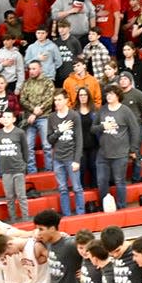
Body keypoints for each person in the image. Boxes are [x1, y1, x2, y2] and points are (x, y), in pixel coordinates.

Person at [91, 84, 141, 210]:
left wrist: (133, 149)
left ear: (118, 96)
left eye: (111, 94)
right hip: (103, 153)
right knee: (101, 182)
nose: (108, 96)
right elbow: (92, 129)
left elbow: (135, 130)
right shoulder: (102, 110)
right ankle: (105, 207)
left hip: (120, 153)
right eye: (107, 94)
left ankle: (121, 207)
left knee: (120, 182)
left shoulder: (125, 111)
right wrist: (103, 127)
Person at [48, 88, 84, 216]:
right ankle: (67, 215)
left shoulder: (74, 116)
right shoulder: (51, 117)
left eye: (59, 100)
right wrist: (60, 130)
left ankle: (81, 214)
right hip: (58, 158)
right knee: (62, 189)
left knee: (77, 188)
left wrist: (77, 160)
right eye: (55, 100)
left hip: (71, 157)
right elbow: (50, 139)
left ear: (66, 101)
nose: (56, 102)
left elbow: (79, 139)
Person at [20, 60, 54, 173]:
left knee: (47, 146)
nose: (31, 71)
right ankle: (32, 172)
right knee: (28, 147)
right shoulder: (26, 83)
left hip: (44, 117)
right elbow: (22, 99)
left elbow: (49, 99)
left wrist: (37, 111)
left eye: (34, 69)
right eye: (30, 69)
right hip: (29, 118)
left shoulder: (47, 82)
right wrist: (32, 110)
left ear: (40, 68)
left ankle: (49, 170)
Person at [0, 110, 28, 222]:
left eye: (8, 117)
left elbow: (25, 150)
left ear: (14, 119)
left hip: (18, 168)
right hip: (5, 170)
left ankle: (26, 220)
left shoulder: (19, 132)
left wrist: (24, 165)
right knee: (9, 198)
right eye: (4, 117)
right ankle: (13, 220)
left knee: (21, 197)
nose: (6, 119)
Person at [119, 71, 142, 183]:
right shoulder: (118, 95)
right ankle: (121, 179)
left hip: (136, 128)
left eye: (125, 79)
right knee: (122, 154)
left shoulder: (138, 94)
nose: (123, 81)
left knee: (136, 153)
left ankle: (136, 179)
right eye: (121, 79)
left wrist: (141, 123)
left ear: (130, 81)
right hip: (122, 129)